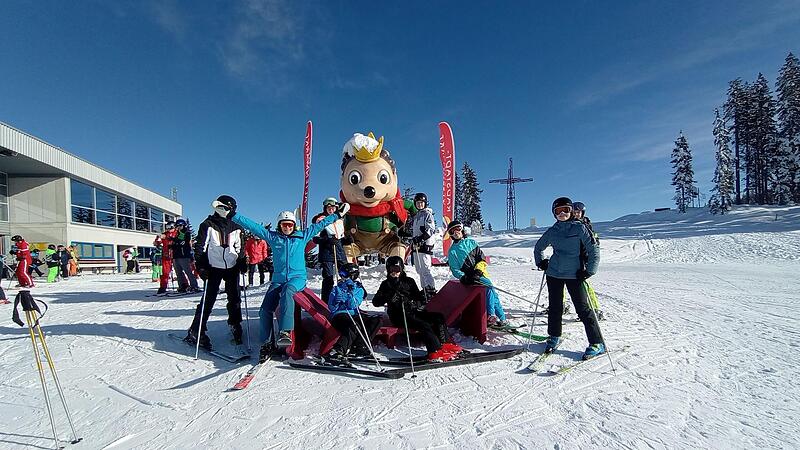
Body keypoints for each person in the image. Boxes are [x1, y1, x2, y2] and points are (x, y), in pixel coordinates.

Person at [230, 196, 350, 362]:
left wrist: (337, 215)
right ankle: (266, 343)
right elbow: (254, 226)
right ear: (279, 225)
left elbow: (320, 225)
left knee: (288, 292)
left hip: (297, 278)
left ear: (294, 226)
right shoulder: (273, 237)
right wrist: (233, 215)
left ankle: (285, 332)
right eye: (284, 225)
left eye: (290, 225)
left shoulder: (302, 236)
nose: (287, 227)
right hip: (278, 280)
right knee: (265, 309)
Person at [534, 197, 604, 360]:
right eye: (558, 211)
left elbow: (594, 250)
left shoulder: (580, 228)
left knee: (583, 309)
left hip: (575, 274)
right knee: (555, 307)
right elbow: (538, 247)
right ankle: (554, 336)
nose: (562, 213)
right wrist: (541, 262)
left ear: (572, 210)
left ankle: (597, 342)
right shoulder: (553, 230)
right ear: (554, 213)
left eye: (565, 209)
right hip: (554, 273)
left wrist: (589, 271)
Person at [187, 195, 247, 350]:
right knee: (208, 298)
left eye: (224, 208)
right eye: (218, 207)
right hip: (213, 267)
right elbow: (199, 248)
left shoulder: (238, 227)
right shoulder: (207, 224)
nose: (221, 210)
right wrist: (201, 267)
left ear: (231, 209)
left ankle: (235, 323)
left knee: (235, 298)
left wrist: (241, 262)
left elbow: (240, 248)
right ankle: (196, 329)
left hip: (231, 267)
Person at [372, 256, 461, 361]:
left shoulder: (409, 281)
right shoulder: (386, 284)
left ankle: (445, 344)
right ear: (388, 269)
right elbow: (375, 302)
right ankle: (434, 351)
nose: (394, 272)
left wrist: (423, 295)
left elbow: (416, 297)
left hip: (412, 311)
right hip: (399, 316)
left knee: (438, 317)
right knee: (424, 325)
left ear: (401, 269)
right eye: (392, 269)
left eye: (397, 269)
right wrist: (389, 297)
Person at [446, 220, 512, 327]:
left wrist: (478, 270)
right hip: (470, 278)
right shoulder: (452, 251)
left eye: (457, 229)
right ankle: (491, 315)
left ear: (462, 229)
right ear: (451, 235)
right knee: (489, 287)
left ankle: (502, 319)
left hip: (480, 274)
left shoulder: (471, 242)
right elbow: (454, 269)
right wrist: (464, 277)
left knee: (493, 295)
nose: (456, 232)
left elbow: (481, 258)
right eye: (452, 232)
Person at [323, 263, 381, 365]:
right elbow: (331, 308)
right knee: (354, 325)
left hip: (354, 313)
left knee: (376, 320)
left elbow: (353, 304)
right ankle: (337, 350)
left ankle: (360, 346)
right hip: (339, 315)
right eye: (341, 274)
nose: (342, 277)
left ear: (353, 275)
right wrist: (336, 301)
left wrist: (350, 293)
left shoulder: (359, 289)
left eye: (344, 274)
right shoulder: (336, 288)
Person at [572, 201, 603, 320]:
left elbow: (594, 243)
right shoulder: (568, 224)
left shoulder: (586, 226)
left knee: (583, 284)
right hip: (569, 260)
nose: (576, 214)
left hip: (582, 260)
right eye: (574, 212)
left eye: (578, 212)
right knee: (562, 283)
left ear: (582, 213)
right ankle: (563, 306)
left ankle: (594, 309)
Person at [314, 197, 347, 305]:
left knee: (346, 274)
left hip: (339, 250)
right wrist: (326, 240)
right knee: (328, 278)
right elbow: (315, 238)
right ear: (325, 208)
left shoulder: (340, 219)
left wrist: (346, 240)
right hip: (327, 251)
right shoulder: (321, 219)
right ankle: (326, 301)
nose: (331, 210)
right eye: (328, 208)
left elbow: (341, 236)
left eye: (333, 207)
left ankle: (346, 298)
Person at [410, 192, 437, 296]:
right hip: (417, 245)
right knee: (419, 268)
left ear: (425, 203)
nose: (420, 205)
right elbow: (415, 231)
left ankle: (431, 288)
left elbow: (431, 229)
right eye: (417, 203)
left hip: (425, 244)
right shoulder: (416, 216)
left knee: (425, 268)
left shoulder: (427, 214)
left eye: (422, 203)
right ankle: (425, 289)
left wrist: (421, 238)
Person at [172, 219, 199, 293]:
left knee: (188, 272)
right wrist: (172, 245)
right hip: (176, 256)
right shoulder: (176, 233)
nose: (178, 227)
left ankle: (194, 286)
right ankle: (182, 286)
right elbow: (175, 243)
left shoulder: (186, 233)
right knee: (178, 273)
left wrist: (175, 241)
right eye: (177, 226)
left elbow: (183, 242)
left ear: (184, 225)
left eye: (180, 225)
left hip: (184, 256)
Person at [156, 222, 177, 295]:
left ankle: (184, 285)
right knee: (165, 272)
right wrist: (157, 242)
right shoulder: (164, 234)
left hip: (176, 255)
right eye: (167, 227)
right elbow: (158, 241)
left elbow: (179, 240)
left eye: (170, 227)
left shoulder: (177, 233)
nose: (168, 229)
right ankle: (163, 287)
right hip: (166, 255)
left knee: (179, 271)